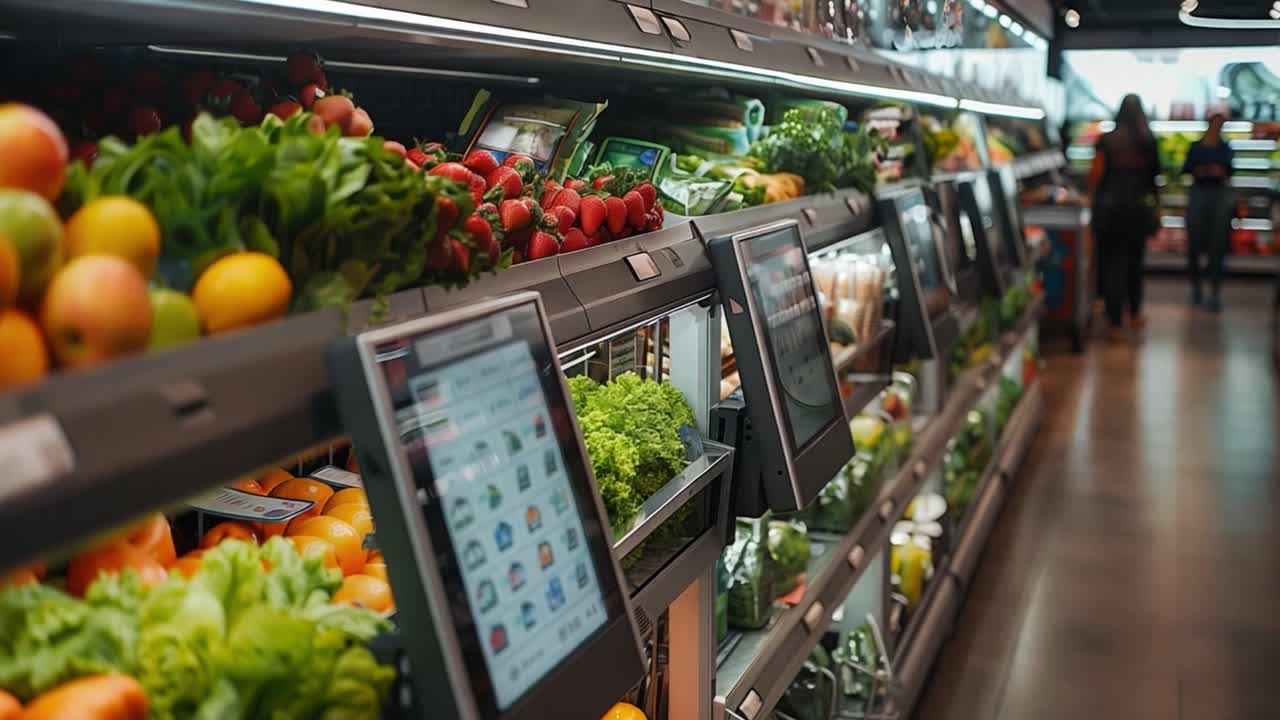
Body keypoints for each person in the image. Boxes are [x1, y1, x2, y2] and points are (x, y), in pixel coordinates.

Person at [1088, 94, 1160, 340]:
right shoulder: (1148, 141)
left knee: (1112, 263)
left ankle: (1115, 321)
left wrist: (1091, 199)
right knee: (1135, 262)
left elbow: (1096, 174)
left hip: (1112, 209)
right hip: (1138, 209)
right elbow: (1154, 180)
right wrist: (1156, 207)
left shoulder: (1107, 140)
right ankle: (1135, 312)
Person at [1181, 112, 1234, 312]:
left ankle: (1214, 290)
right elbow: (1186, 168)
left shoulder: (1225, 147)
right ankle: (1197, 287)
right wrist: (1205, 170)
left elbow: (1229, 171)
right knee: (1194, 244)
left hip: (1217, 197)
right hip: (1200, 195)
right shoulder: (1197, 147)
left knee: (1217, 245)